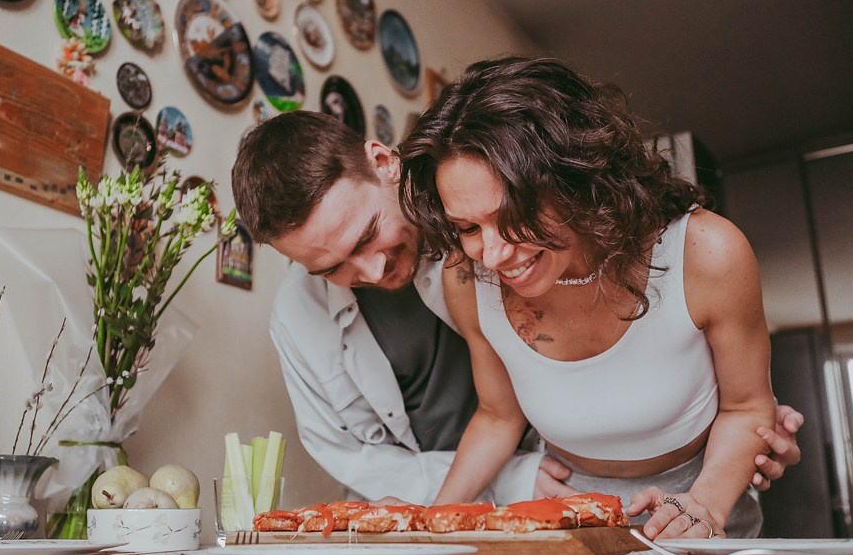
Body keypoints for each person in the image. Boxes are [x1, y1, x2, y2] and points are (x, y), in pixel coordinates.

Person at [230, 110, 802, 510]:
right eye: (330, 268)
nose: (373, 274)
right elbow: (354, 451)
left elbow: (636, 342)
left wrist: (738, 419)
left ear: (383, 161)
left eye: (365, 238)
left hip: (599, 480)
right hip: (496, 489)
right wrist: (473, 499)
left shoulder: (501, 229)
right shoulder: (299, 315)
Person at [398, 57, 785, 539]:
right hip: (561, 514)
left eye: (512, 213)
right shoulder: (467, 280)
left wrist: (702, 506)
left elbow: (747, 408)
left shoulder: (708, 252)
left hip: (699, 495)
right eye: (467, 228)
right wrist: (435, 519)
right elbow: (498, 416)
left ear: (577, 178)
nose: (493, 255)